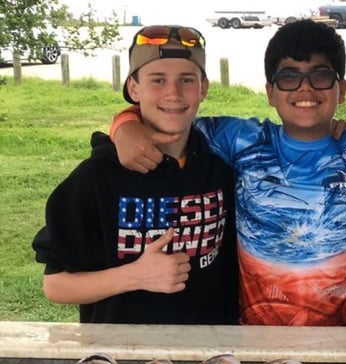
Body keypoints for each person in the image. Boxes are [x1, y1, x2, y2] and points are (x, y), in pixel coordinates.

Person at [110, 20, 346, 327]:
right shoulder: (242, 140)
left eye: (321, 76)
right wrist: (124, 124)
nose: (305, 88)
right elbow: (172, 119)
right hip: (256, 333)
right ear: (270, 91)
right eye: (289, 77)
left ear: (342, 89)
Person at [32, 25, 239, 324]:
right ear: (133, 88)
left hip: (211, 352)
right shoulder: (98, 177)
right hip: (123, 353)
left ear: (203, 88)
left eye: (186, 79)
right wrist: (135, 276)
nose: (173, 93)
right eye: (158, 80)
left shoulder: (220, 166)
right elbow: (55, 285)